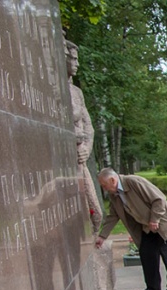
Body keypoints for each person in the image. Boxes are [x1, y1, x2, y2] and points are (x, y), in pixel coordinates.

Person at [95, 168, 167, 290]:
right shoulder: (115, 195)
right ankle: (152, 287)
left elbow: (159, 199)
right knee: (147, 254)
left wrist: (155, 219)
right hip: (146, 226)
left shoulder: (134, 182)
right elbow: (113, 216)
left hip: (163, 223)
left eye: (104, 185)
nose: (104, 189)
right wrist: (102, 236)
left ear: (113, 180)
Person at [65, 39, 103, 234]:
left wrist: (86, 148)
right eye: (73, 59)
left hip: (80, 157)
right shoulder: (54, 90)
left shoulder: (76, 92)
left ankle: (93, 243)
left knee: (96, 213)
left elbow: (88, 125)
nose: (77, 64)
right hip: (64, 162)